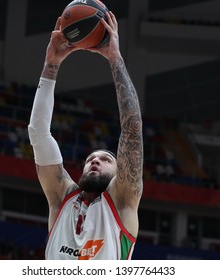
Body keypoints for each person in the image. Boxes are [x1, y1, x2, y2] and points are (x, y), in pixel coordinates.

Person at [28, 11, 143, 260]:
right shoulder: (61, 196)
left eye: (105, 160)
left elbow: (132, 129)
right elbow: (38, 133)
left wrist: (115, 59)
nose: (95, 161)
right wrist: (51, 65)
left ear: (118, 173)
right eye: (91, 158)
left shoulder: (122, 202)